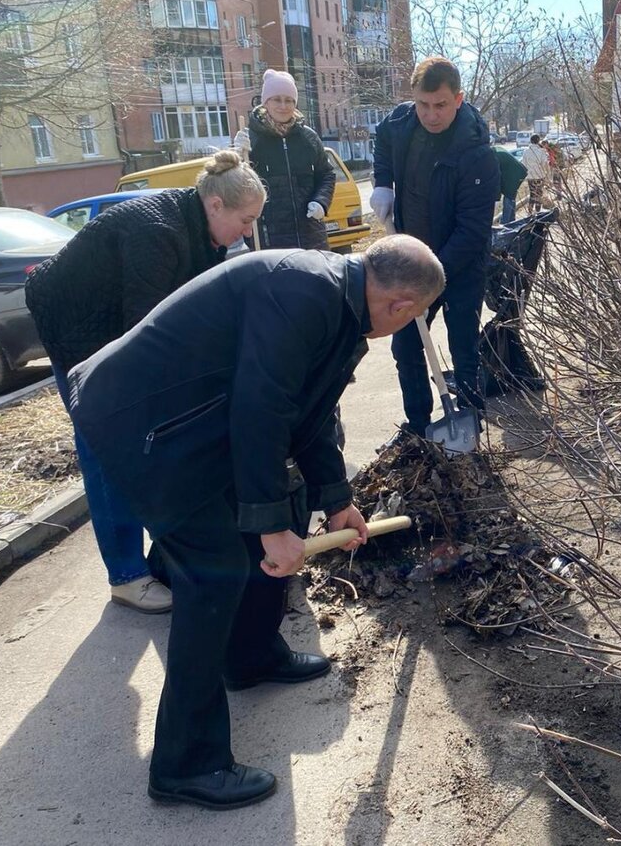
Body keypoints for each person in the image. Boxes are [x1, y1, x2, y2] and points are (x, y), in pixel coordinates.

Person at [65, 236, 445, 810]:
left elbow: (306, 412)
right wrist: (271, 528)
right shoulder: (300, 291)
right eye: (415, 316)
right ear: (401, 306)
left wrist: (335, 499)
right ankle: (186, 765)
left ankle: (250, 657)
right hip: (144, 422)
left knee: (273, 519)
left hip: (195, 421)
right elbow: (261, 408)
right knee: (214, 573)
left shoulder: (340, 308)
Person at [25, 151, 265, 614]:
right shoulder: (158, 233)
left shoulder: (198, 229)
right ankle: (126, 576)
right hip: (78, 332)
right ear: (215, 205)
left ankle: (164, 552)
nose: (249, 231)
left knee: (148, 440)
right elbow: (147, 335)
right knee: (107, 447)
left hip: (113, 326)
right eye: (246, 218)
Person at [368, 56, 500, 437]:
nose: (431, 114)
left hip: (459, 266)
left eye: (440, 105)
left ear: (458, 99)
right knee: (406, 349)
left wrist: (433, 277)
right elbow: (383, 141)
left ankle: (470, 427)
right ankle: (420, 426)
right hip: (410, 260)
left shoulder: (476, 154)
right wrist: (382, 182)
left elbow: (472, 232)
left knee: (464, 349)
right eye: (423, 104)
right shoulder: (400, 123)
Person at [232, 68, 337, 251]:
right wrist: (237, 157)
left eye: (289, 100)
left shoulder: (308, 138)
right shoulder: (251, 139)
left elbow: (326, 174)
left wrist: (321, 201)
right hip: (269, 237)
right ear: (266, 102)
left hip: (311, 235)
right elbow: (236, 184)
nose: (283, 105)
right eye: (277, 99)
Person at [494, 144, 527, 225]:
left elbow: (496, 176)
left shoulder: (493, 157)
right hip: (517, 173)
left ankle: (505, 224)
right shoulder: (495, 151)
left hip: (513, 176)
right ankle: (512, 221)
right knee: (511, 197)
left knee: (509, 197)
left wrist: (496, 195)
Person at [520, 133, 551, 214]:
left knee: (532, 193)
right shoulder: (541, 151)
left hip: (530, 176)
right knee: (539, 193)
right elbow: (545, 163)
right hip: (540, 175)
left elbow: (523, 164)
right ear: (538, 141)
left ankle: (530, 211)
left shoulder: (526, 152)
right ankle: (538, 211)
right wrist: (548, 174)